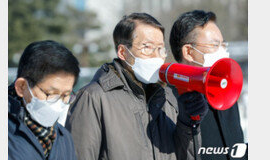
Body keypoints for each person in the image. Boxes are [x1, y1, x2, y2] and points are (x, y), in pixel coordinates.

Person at [65, 12, 209, 160]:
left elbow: (187, 156)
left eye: (160, 49)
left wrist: (188, 124)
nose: (157, 56)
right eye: (147, 47)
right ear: (123, 52)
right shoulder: (93, 98)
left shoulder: (169, 98)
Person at [169, 10, 246, 160]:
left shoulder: (228, 95)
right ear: (189, 52)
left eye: (224, 45)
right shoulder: (169, 101)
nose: (223, 52)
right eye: (215, 45)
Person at [8, 40, 79, 160]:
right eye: (51, 94)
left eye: (66, 95)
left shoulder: (64, 138)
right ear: (22, 87)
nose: (58, 104)